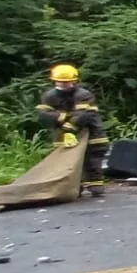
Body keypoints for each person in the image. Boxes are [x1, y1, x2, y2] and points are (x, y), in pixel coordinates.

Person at [34, 63, 109, 197]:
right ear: (54, 81)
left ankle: (95, 185)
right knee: (66, 161)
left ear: (75, 81)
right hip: (62, 134)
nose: (64, 85)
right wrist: (63, 119)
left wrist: (71, 126)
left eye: (67, 82)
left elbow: (85, 115)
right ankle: (74, 186)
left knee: (92, 160)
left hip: (91, 134)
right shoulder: (50, 96)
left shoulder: (83, 94)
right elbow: (43, 115)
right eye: (61, 82)